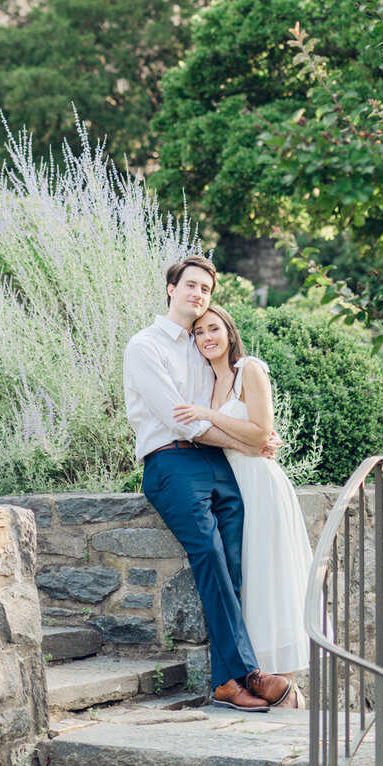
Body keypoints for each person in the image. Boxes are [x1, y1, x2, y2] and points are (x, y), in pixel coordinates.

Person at [122, 254, 294, 713]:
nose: (199, 295)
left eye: (207, 290)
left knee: (234, 566)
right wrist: (251, 443)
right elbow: (182, 423)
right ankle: (248, 673)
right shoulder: (145, 346)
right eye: (191, 285)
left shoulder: (203, 347)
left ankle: (224, 683)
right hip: (171, 464)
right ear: (171, 288)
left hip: (219, 464)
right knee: (210, 556)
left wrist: (255, 438)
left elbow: (232, 406)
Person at [177, 303, 313, 692]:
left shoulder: (249, 370)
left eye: (214, 329)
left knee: (269, 575)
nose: (207, 338)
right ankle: (259, 677)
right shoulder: (203, 380)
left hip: (259, 482)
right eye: (199, 332)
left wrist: (210, 414)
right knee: (244, 578)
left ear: (230, 332)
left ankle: (285, 685)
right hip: (226, 484)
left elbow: (260, 431)